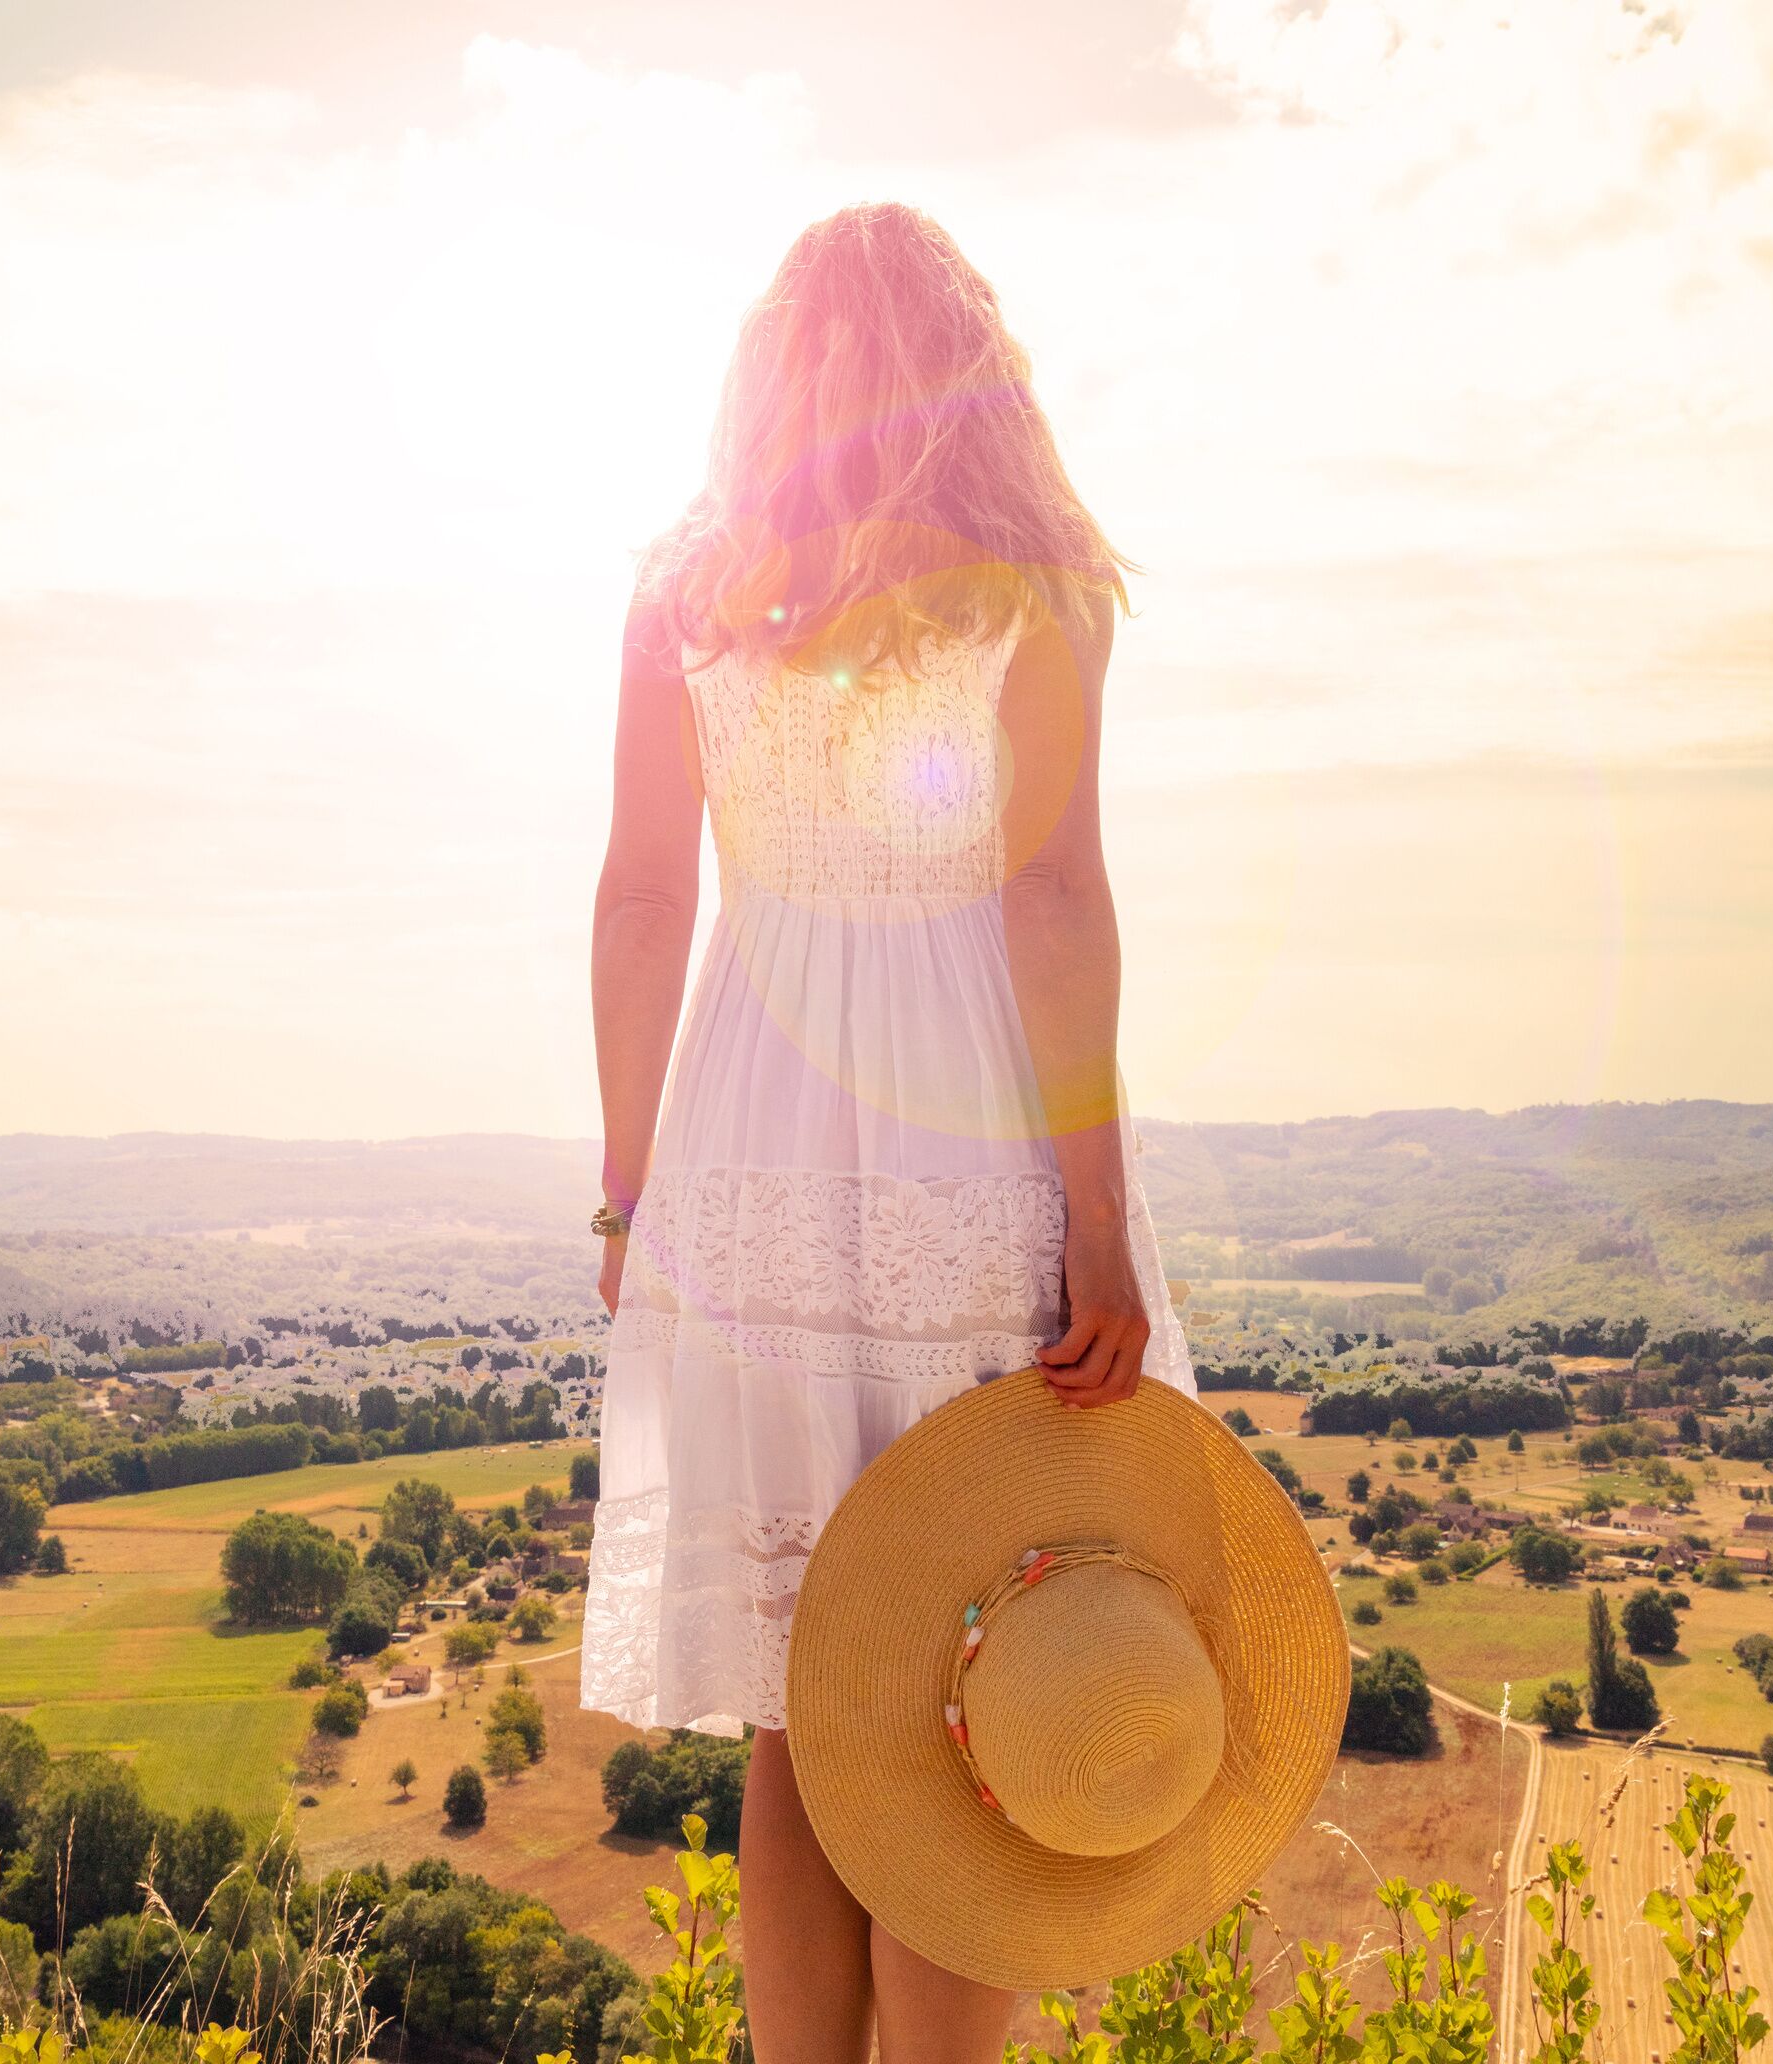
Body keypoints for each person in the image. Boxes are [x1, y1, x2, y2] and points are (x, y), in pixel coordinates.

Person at [581, 203, 1195, 2060]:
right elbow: (1057, 900)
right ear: (974, 376)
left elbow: (634, 901)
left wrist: (630, 1199)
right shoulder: (1036, 591)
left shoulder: (689, 596)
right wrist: (1095, 1219)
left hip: (744, 1159)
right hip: (975, 1146)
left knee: (806, 1683)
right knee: (978, 1657)